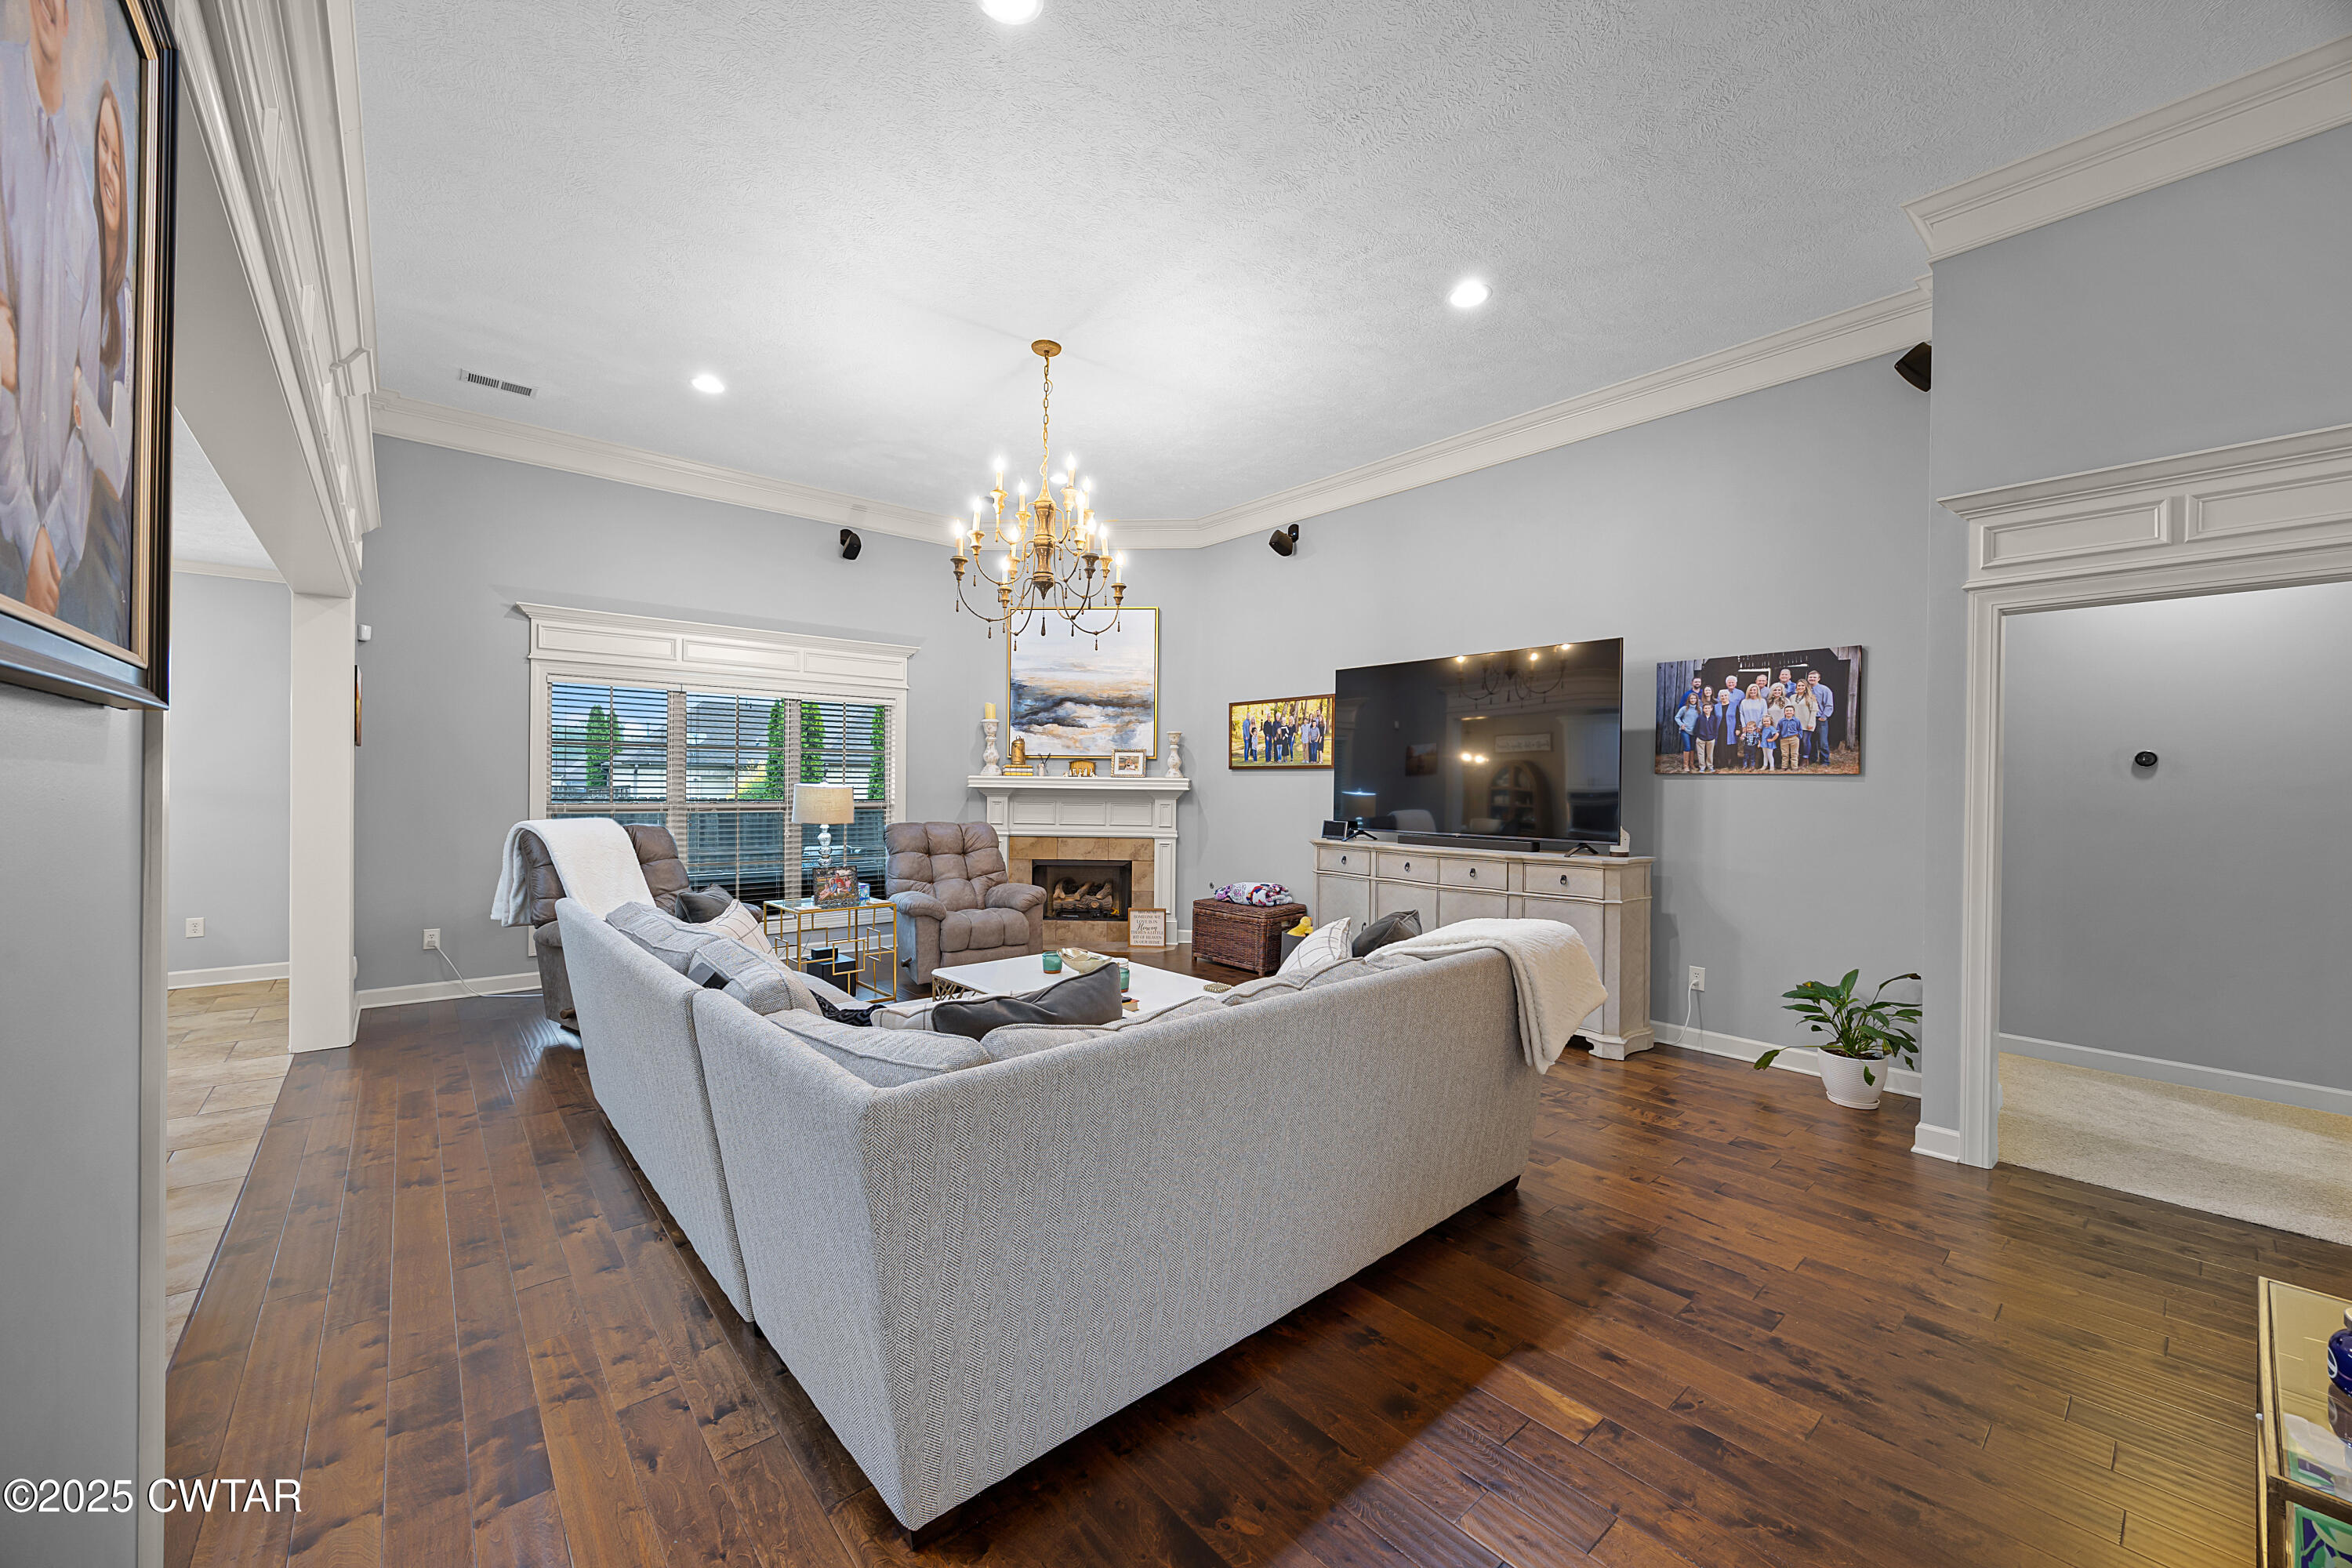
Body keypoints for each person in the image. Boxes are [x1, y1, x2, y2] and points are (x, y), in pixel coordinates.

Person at [0, 0, 100, 622]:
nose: (53, 6)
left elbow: (83, 401)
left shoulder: (84, 194)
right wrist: (25, 525)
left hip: (49, 570)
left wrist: (52, 542)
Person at [1787, 678, 1817, 766]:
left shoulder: (1810, 697)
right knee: (1797, 742)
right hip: (1795, 723)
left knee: (1805, 741)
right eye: (1799, 685)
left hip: (1807, 723)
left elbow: (1814, 711)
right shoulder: (1792, 697)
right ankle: (1797, 758)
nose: (1800, 687)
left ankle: (1805, 759)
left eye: (1802, 685)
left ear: (1806, 687)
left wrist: (1811, 723)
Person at [1738, 681, 1766, 768]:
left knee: (1756, 745)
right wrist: (1744, 726)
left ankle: (1755, 764)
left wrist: (1760, 726)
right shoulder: (1744, 702)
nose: (1753, 692)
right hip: (1747, 728)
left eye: (1754, 690)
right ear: (1748, 691)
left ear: (1757, 690)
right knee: (1747, 746)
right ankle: (1745, 764)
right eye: (1751, 690)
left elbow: (1764, 714)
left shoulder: (1762, 701)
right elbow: (1741, 714)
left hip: (1758, 727)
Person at [1692, 684, 1720, 772]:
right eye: (1706, 708)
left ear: (1712, 709)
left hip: (1711, 738)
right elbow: (1696, 728)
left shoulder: (1714, 718)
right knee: (1701, 753)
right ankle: (1702, 767)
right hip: (1701, 737)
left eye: (1709, 708)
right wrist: (1698, 736)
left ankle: (1710, 766)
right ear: (1703, 709)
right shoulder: (1700, 718)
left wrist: (1714, 736)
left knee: (1710, 754)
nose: (1707, 709)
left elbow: (1715, 728)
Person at [1809, 670, 1835, 761]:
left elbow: (1829, 704)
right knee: (1811, 740)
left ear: (1819, 679)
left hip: (1820, 718)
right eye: (1810, 677)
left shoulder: (1825, 690)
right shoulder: (1806, 689)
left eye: (1814, 677)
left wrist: (1824, 716)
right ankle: (1813, 758)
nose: (1812, 679)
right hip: (1809, 719)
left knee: (1823, 741)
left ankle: (1825, 760)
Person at [1673, 691, 1699, 771]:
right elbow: (1677, 717)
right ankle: (1686, 766)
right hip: (1685, 731)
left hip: (1694, 731)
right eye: (1691, 698)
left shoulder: (1699, 709)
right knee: (1687, 747)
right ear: (1689, 700)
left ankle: (1692, 764)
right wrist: (1681, 725)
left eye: (1694, 698)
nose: (1693, 700)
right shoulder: (1684, 708)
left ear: (1697, 700)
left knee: (1692, 748)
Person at [1778, 701, 1802, 771]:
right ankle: (1784, 766)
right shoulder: (1781, 721)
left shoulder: (1796, 721)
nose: (1789, 712)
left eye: (1790, 711)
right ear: (1784, 712)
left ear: (1793, 712)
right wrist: (1781, 738)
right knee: (1785, 754)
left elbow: (1800, 729)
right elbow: (1778, 729)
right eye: (1787, 711)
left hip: (1794, 738)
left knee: (1794, 753)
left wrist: (1799, 737)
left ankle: (1794, 767)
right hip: (1784, 739)